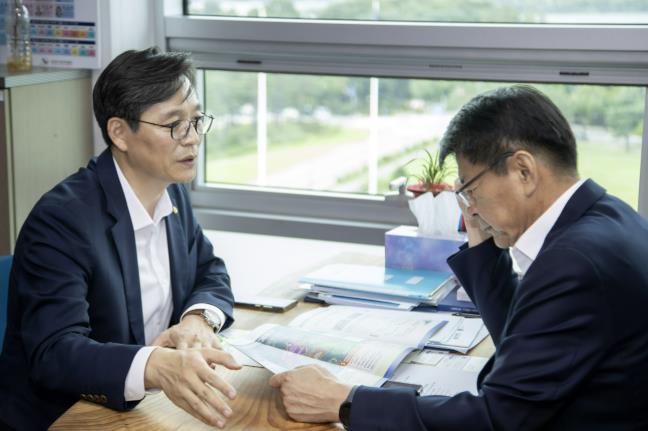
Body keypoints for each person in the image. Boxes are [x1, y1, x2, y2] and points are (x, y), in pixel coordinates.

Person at [269, 85, 648, 430]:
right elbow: (526, 339)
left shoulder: (574, 262)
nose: (468, 206)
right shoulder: (607, 217)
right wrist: (482, 236)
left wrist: (344, 401)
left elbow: (497, 419)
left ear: (523, 171)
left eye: (469, 188)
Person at [0, 47, 242, 430]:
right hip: (65, 417)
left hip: (147, 410)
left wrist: (197, 320)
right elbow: (55, 351)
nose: (193, 138)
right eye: (174, 124)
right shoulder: (62, 220)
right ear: (119, 133)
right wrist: (155, 366)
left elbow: (209, 270)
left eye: (196, 120)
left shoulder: (171, 191)